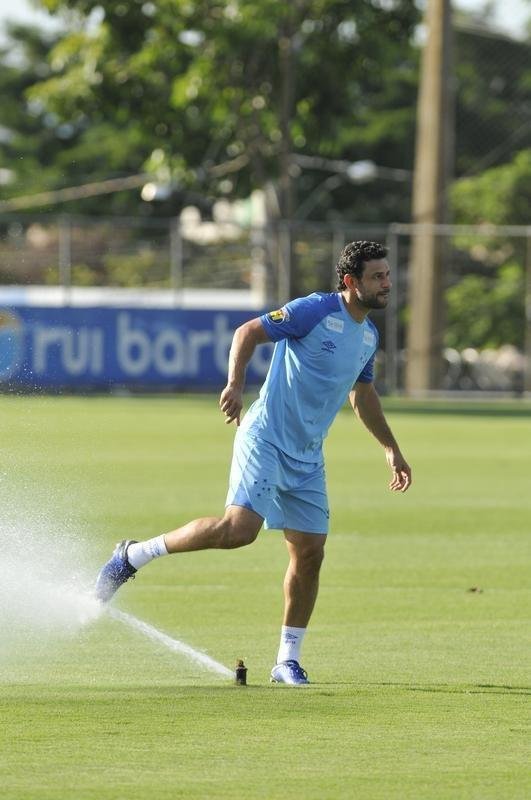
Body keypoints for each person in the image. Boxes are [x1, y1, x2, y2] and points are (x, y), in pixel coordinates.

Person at [95, 240, 411, 685]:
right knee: (237, 531)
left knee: (310, 551)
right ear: (350, 281)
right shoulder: (314, 311)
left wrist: (390, 448)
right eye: (377, 276)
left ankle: (286, 660)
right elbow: (247, 332)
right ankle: (132, 555)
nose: (387, 284)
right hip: (264, 437)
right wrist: (235, 384)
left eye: (387, 275)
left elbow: (363, 396)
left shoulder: (368, 336)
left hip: (307, 456)